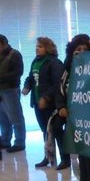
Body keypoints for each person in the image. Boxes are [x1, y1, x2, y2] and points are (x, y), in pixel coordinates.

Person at [57, 34, 90, 181]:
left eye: (84, 49)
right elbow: (59, 88)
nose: (81, 52)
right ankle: (83, 180)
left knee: (89, 150)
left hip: (89, 114)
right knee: (80, 150)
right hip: (73, 115)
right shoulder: (67, 67)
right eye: (78, 49)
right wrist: (61, 106)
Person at [22, 37, 65, 169]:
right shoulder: (36, 61)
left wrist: (46, 98)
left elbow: (57, 84)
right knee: (45, 132)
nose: (37, 48)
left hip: (51, 104)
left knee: (56, 131)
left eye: (40, 46)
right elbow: (31, 77)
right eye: (37, 46)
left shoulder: (54, 62)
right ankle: (48, 156)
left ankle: (65, 158)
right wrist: (27, 86)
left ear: (48, 48)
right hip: (37, 102)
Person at [0, 34, 26, 152]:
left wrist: (0, 77)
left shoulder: (14, 54)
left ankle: (20, 142)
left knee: (15, 117)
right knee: (2, 118)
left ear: (5, 43)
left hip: (10, 89)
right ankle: (5, 140)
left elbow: (18, 72)